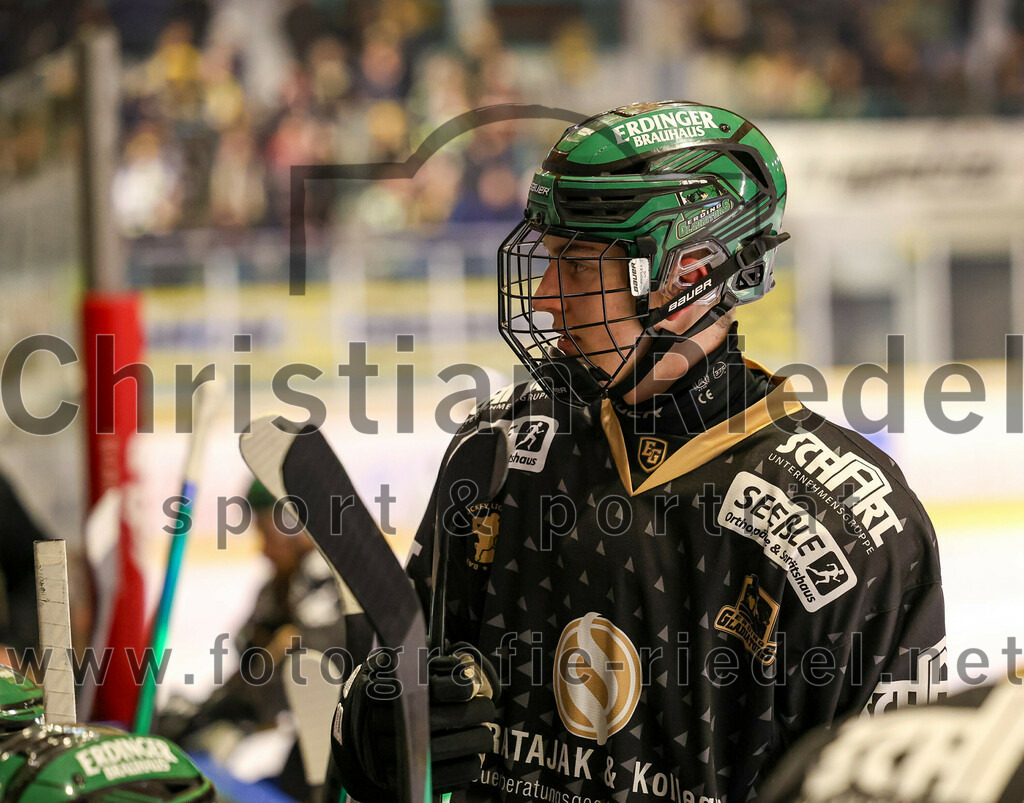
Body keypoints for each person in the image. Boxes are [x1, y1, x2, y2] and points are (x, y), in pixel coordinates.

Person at [329, 101, 946, 802]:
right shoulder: (498, 453)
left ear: (686, 275)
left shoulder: (855, 529)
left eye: (576, 267)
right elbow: (398, 679)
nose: (545, 298)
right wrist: (369, 728)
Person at [159, 480, 372, 797]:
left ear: (295, 527)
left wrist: (217, 713)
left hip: (349, 759)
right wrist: (211, 709)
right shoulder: (283, 587)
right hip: (321, 752)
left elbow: (303, 659)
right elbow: (253, 653)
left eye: (265, 534)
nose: (263, 549)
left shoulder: (324, 578)